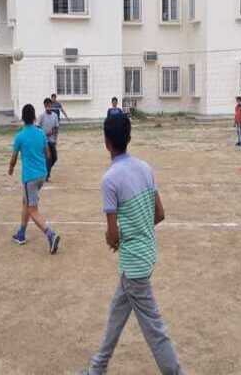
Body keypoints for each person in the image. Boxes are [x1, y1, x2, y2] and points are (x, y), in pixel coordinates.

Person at [80, 114, 184, 375]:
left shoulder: (110, 179)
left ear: (106, 142)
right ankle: (97, 368)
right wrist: (135, 228)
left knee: (155, 330)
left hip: (134, 265)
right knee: (117, 313)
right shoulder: (145, 168)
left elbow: (113, 236)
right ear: (129, 138)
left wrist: (112, 238)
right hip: (146, 255)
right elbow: (159, 214)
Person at [9, 103, 61, 254]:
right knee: (26, 201)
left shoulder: (20, 136)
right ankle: (21, 233)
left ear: (23, 118)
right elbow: (48, 155)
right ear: (33, 117)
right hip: (42, 175)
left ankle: (51, 234)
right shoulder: (41, 133)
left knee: (32, 210)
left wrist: (11, 168)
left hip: (30, 178)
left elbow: (13, 158)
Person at [38, 98, 60, 182]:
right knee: (48, 157)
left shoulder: (54, 116)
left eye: (49, 105)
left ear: (51, 105)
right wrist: (43, 135)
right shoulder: (42, 116)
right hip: (44, 141)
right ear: (44, 106)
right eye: (46, 105)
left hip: (52, 140)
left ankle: (46, 171)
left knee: (54, 158)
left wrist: (55, 136)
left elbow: (56, 127)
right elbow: (37, 127)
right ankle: (46, 175)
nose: (48, 106)